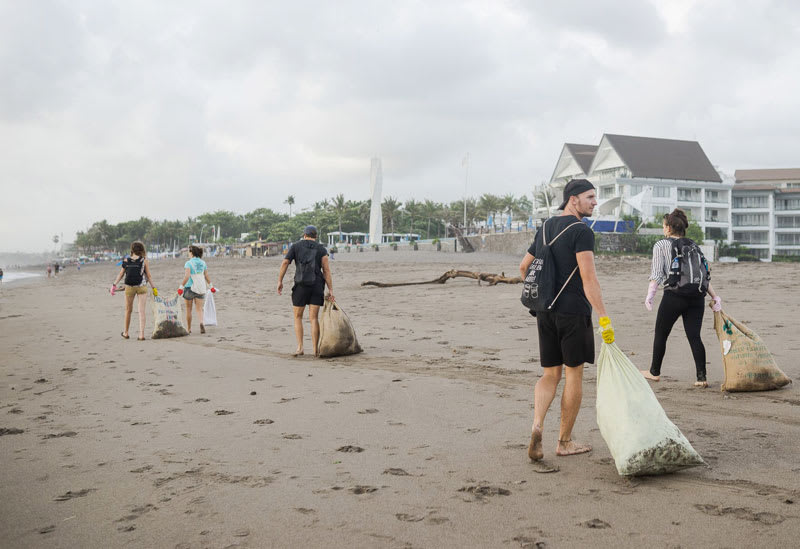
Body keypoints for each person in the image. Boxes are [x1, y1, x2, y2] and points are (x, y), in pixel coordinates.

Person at [518, 179, 615, 461]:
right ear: (573, 199)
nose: (595, 202)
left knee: (550, 374)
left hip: (545, 310)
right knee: (573, 375)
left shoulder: (546, 226)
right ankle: (564, 441)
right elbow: (589, 277)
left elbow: (524, 267)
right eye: (590, 197)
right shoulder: (581, 231)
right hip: (573, 312)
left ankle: (537, 425)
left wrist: (542, 294)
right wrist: (604, 318)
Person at [641, 209, 722, 388]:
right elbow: (703, 276)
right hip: (696, 297)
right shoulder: (693, 246)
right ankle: (701, 377)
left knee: (661, 334)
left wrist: (650, 295)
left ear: (669, 228)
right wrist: (715, 297)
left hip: (673, 296)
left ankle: (654, 372)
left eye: (664, 226)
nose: (663, 229)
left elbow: (656, 273)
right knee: (694, 336)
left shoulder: (661, 245)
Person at [277, 226, 335, 356]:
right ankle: (315, 350)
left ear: (304, 235)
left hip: (301, 285)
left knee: (298, 317)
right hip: (316, 286)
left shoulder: (296, 246)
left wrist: (280, 281)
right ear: (315, 236)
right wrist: (330, 289)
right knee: (313, 318)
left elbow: (285, 262)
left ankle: (300, 347)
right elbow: (326, 270)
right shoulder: (321, 249)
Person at [112, 241, 157, 340]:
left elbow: (121, 274)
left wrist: (114, 285)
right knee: (141, 311)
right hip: (142, 287)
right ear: (141, 250)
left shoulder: (126, 260)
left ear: (132, 250)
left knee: (128, 310)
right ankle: (141, 335)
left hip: (129, 287)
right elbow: (148, 275)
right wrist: (154, 288)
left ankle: (126, 333)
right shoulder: (144, 260)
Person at [178, 245, 214, 334]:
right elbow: (206, 276)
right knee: (199, 309)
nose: (188, 254)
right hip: (201, 288)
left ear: (192, 253)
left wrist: (181, 287)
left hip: (189, 288)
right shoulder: (203, 263)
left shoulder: (188, 263)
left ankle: (189, 329)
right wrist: (211, 286)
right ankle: (201, 323)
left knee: (188, 309)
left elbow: (187, 276)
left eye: (189, 252)